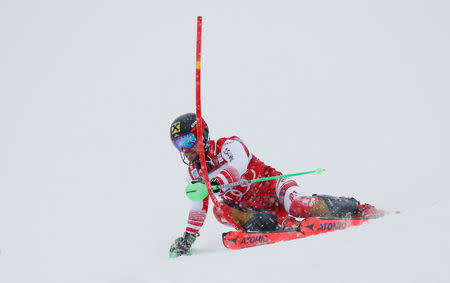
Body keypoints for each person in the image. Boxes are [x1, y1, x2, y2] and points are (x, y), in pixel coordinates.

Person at [169, 113, 380, 257]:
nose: (184, 149)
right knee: (219, 210)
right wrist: (188, 238)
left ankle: (356, 208)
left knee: (299, 206)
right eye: (178, 144)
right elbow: (197, 208)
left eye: (187, 141)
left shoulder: (229, 145)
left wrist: (214, 183)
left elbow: (238, 167)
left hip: (274, 189)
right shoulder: (193, 174)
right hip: (256, 210)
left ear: (202, 136)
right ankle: (280, 224)